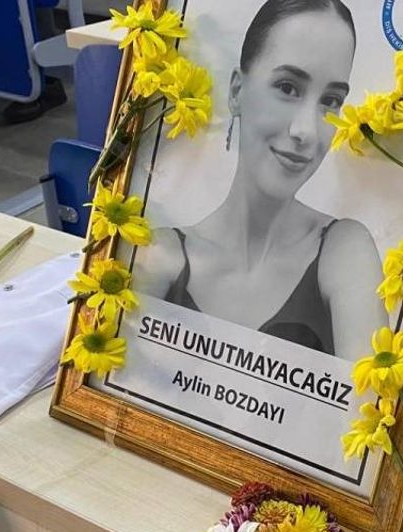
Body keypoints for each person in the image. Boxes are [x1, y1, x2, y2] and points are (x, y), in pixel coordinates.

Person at [138, 0, 386, 362]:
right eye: (287, 87)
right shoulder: (161, 255)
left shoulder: (343, 251)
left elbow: (373, 394)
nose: (306, 131)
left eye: (330, 100)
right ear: (237, 92)